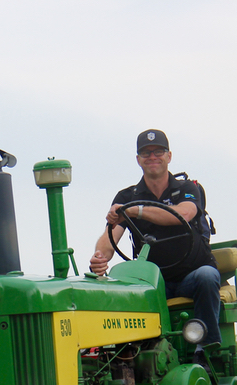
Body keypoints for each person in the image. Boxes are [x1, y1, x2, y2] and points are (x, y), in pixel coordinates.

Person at [89, 129, 221, 355]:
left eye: (158, 151)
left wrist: (137, 211)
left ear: (169, 156)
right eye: (146, 153)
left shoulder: (187, 189)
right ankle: (129, 356)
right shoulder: (126, 197)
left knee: (207, 276)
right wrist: (99, 259)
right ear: (138, 160)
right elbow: (112, 236)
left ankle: (206, 350)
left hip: (191, 276)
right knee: (117, 290)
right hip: (152, 282)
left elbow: (184, 215)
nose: (153, 157)